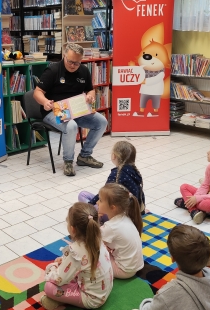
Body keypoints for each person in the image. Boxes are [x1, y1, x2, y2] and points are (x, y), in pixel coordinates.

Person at [33, 43, 107, 176]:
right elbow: (37, 92)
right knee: (71, 126)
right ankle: (68, 161)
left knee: (101, 122)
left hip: (77, 110)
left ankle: (84, 156)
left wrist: (90, 95)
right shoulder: (53, 70)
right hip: (53, 111)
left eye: (77, 63)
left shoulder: (84, 71)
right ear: (64, 56)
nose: (73, 65)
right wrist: (45, 102)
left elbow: (90, 89)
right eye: (70, 61)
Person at [40, 202, 113, 310]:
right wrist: (65, 261)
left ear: (72, 229)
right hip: (105, 289)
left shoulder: (76, 251)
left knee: (49, 287)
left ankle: (59, 300)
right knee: (72, 274)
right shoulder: (97, 239)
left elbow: (58, 280)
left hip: (93, 300)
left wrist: (52, 267)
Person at [78, 140, 145, 216]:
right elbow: (140, 193)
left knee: (82, 195)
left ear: (114, 156)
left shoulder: (116, 174)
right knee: (88, 196)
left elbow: (103, 194)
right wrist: (141, 211)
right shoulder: (135, 171)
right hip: (133, 213)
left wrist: (91, 205)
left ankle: (94, 215)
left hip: (119, 215)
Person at [97, 184, 144, 278]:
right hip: (135, 266)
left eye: (101, 200)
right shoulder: (125, 216)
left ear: (113, 207)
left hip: (124, 271)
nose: (97, 202)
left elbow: (90, 240)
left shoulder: (110, 227)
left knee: (90, 254)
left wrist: (96, 220)